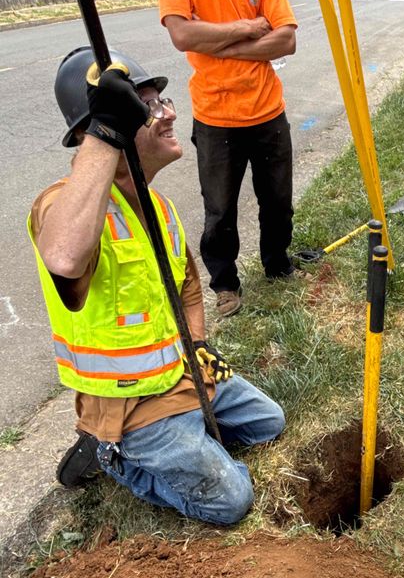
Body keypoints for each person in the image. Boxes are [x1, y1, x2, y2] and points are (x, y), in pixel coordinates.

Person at [28, 46, 285, 522]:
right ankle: (111, 453)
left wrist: (199, 343)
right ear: (99, 131)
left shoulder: (157, 207)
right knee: (231, 500)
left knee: (270, 423)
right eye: (146, 107)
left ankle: (186, 441)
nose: (168, 115)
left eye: (162, 102)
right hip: (132, 405)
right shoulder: (64, 207)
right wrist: (105, 135)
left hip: (184, 376)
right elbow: (64, 258)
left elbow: (187, 285)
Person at [154, 0, 299, 320]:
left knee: (277, 201)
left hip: (267, 109)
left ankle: (278, 266)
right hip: (216, 114)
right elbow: (181, 33)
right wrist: (245, 28)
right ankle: (225, 284)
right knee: (219, 210)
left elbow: (286, 40)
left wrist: (218, 43)